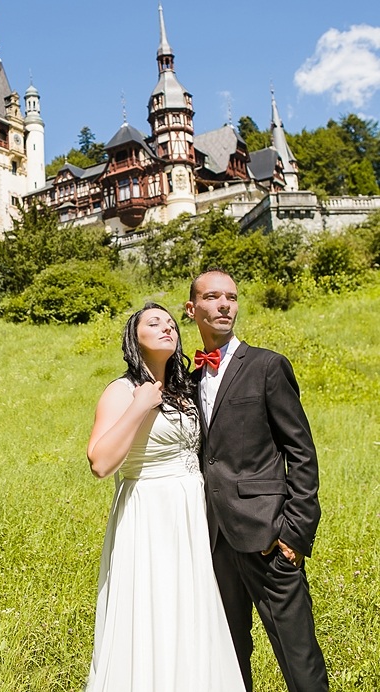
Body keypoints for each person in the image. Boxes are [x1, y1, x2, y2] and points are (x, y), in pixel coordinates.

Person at [85, 302, 246, 692]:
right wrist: (139, 406)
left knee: (192, 608)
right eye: (154, 323)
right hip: (148, 512)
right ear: (134, 338)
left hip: (192, 511)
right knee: (152, 607)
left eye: (172, 324)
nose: (167, 328)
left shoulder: (186, 389)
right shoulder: (121, 390)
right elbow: (100, 463)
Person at [185, 269, 328, 692]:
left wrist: (295, 534)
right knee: (227, 658)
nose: (225, 304)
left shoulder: (267, 366)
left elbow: (300, 451)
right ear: (192, 309)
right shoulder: (189, 381)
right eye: (212, 297)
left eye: (231, 296)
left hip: (269, 535)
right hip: (213, 541)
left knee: (297, 655)